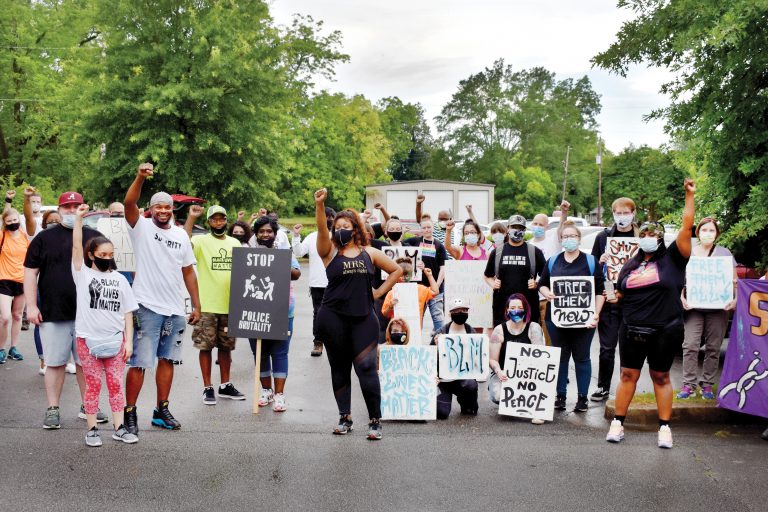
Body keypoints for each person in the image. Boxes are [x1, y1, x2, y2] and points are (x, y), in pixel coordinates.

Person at [605, 178, 696, 449]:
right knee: (627, 375)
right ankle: (618, 423)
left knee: (661, 376)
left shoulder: (674, 258)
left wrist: (689, 196)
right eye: (643, 234)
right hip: (632, 329)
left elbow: (687, 225)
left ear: (660, 238)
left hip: (665, 330)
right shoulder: (630, 266)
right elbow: (621, 293)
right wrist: (614, 296)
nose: (647, 238)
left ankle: (665, 428)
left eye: (653, 235)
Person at [314, 188, 402, 440]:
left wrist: (377, 292)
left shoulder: (370, 253)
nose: (341, 229)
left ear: (356, 229)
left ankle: (375, 420)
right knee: (339, 368)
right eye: (337, 226)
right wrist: (320, 206)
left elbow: (396, 271)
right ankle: (345, 417)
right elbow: (321, 230)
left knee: (366, 367)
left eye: (346, 225)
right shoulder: (329, 252)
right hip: (332, 319)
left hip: (363, 319)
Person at [123, 162, 201, 437]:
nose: (164, 210)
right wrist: (140, 177)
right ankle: (129, 414)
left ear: (172, 209)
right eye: (158, 206)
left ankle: (161, 410)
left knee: (168, 360)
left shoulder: (181, 235)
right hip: (146, 306)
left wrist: (196, 303)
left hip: (174, 309)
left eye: (167, 207)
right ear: (151, 209)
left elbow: (188, 271)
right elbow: (129, 202)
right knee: (140, 363)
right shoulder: (141, 227)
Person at [24, 191, 108, 429]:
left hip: (88, 314)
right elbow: (30, 272)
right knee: (55, 362)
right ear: (59, 210)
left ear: (84, 208)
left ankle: (88, 405)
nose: (71, 210)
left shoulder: (95, 237)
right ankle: (53, 408)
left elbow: (107, 273)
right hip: (53, 311)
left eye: (76, 206)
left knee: (86, 363)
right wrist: (31, 305)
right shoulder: (44, 238)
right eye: (67, 207)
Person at [71, 204, 139, 446]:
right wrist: (78, 220)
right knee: (93, 385)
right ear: (92, 255)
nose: (107, 259)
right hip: (87, 339)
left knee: (114, 384)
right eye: (102, 256)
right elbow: (77, 246)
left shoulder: (120, 279)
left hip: (116, 340)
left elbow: (128, 313)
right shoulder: (83, 275)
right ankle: (91, 430)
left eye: (110, 255)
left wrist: (128, 341)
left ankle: (119, 427)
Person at [538, 221, 605, 413]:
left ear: (579, 238)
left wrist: (596, 314)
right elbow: (542, 283)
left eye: (572, 236)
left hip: (584, 320)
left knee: (582, 358)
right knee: (560, 358)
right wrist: (547, 292)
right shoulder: (553, 261)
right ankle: (560, 395)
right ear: (561, 239)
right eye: (565, 237)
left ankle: (582, 397)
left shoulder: (590, 261)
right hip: (556, 319)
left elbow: (600, 291)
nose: (569, 240)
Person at [184, 205, 246, 406]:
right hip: (207, 305)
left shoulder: (235, 242)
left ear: (226, 220)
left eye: (221, 219)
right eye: (214, 219)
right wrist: (191, 218)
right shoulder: (201, 241)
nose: (218, 223)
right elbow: (183, 244)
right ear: (209, 222)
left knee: (226, 347)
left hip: (230, 305)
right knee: (206, 347)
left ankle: (225, 384)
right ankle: (207, 387)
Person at [678, 217, 737, 400]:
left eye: (711, 231)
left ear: (717, 234)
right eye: (704, 230)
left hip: (719, 307)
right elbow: (680, 280)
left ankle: (708, 385)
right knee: (690, 345)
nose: (708, 234)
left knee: (713, 346)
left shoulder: (725, 254)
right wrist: (681, 298)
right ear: (698, 233)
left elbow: (734, 281)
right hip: (694, 307)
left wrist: (734, 299)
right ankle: (689, 385)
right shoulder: (690, 254)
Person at [590, 197, 640, 402]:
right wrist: (600, 261)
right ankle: (603, 386)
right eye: (618, 213)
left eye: (626, 213)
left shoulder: (641, 236)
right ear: (612, 214)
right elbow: (592, 267)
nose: (622, 217)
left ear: (633, 213)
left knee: (630, 349)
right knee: (606, 348)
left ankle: (626, 388)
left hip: (634, 302)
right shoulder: (603, 237)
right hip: (610, 300)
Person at [250, 215, 301, 412]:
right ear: (256, 234)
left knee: (280, 353)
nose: (265, 234)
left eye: (269, 231)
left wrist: (278, 263)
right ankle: (266, 391)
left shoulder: (284, 252)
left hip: (282, 310)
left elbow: (296, 274)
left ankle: (279, 394)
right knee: (260, 353)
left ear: (275, 234)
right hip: (254, 310)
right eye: (261, 231)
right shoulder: (249, 254)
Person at [487, 293, 545, 424]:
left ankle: (536, 409)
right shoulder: (499, 330)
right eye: (512, 308)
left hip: (529, 375)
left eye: (519, 307)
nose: (516, 310)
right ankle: (515, 403)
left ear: (525, 308)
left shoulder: (533, 328)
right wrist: (498, 371)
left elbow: (542, 358)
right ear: (507, 310)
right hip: (505, 374)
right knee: (497, 396)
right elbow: (492, 359)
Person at [484, 214, 545, 327]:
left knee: (527, 340)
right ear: (508, 229)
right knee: (503, 341)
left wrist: (537, 283)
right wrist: (493, 283)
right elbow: (487, 275)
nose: (517, 230)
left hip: (528, 307)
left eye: (520, 228)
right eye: (514, 227)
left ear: (525, 230)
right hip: (502, 307)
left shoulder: (534, 252)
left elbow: (546, 276)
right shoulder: (497, 252)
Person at [291, 206, 336, 356]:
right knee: (319, 313)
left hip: (337, 282)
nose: (328, 220)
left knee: (337, 314)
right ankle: (318, 342)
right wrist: (296, 236)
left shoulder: (339, 236)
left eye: (330, 217)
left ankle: (336, 342)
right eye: (325, 217)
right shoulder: (311, 237)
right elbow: (298, 252)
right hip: (317, 283)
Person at [431, 297, 479, 419]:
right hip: (444, 380)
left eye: (464, 310)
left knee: (471, 386)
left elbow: (478, 359)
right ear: (450, 314)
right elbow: (429, 359)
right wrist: (436, 347)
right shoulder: (441, 333)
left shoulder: (471, 332)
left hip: (463, 378)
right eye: (456, 311)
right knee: (441, 414)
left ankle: (466, 402)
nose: (460, 313)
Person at [530, 200, 569, 345]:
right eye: (536, 224)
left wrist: (564, 213)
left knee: (550, 338)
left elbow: (561, 227)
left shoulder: (554, 240)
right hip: (532, 297)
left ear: (546, 226)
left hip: (549, 297)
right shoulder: (529, 245)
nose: (538, 227)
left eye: (541, 224)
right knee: (533, 337)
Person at [404, 215, 447, 334]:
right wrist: (403, 232)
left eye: (429, 227)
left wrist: (437, 286)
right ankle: (416, 341)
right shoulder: (414, 241)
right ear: (420, 229)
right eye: (424, 228)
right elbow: (399, 244)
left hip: (435, 287)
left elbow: (443, 268)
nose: (427, 230)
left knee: (438, 317)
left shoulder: (439, 245)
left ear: (433, 228)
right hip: (418, 287)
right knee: (417, 317)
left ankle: (439, 342)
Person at [0, 202, 31, 364]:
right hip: (4, 280)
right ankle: (1, 348)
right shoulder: (2, 236)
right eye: (9, 221)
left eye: (15, 220)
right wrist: (8, 202)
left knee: (18, 315)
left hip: (22, 280)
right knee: (5, 318)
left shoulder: (25, 236)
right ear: (5, 222)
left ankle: (14, 347)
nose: (13, 223)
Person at [381, 259, 439, 335]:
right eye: (401, 275)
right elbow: (385, 314)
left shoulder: (420, 289)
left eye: (407, 275)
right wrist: (390, 306)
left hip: (415, 331)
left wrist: (429, 275)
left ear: (411, 276)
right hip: (397, 331)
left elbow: (435, 292)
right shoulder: (392, 293)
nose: (404, 277)